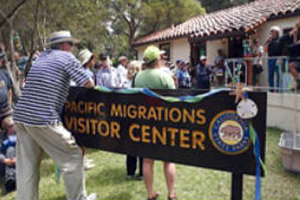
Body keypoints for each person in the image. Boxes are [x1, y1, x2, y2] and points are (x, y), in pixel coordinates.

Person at [13, 30, 96, 200]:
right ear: (64, 45)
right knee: (73, 156)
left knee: (27, 167)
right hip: (42, 117)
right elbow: (88, 83)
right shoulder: (67, 57)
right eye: (71, 44)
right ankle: (79, 198)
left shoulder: (41, 57)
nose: (72, 48)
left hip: (21, 115)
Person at [134, 46, 177, 200]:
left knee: (147, 160)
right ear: (157, 60)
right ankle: (171, 194)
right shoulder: (165, 76)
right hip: (164, 121)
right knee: (168, 160)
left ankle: (150, 193)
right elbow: (174, 98)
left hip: (144, 122)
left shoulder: (137, 77)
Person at [123, 61, 144, 180]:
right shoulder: (140, 83)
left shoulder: (125, 83)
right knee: (141, 144)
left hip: (127, 117)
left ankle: (130, 171)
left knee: (130, 145)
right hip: (139, 116)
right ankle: (141, 173)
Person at [264, 26, 296, 92]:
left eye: (273, 31)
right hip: (270, 59)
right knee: (270, 76)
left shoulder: (280, 39)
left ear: (277, 32)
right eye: (271, 31)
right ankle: (271, 90)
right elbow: (265, 50)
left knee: (278, 75)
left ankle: (279, 90)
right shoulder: (270, 41)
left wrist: (295, 29)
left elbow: (289, 34)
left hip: (278, 59)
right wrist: (267, 42)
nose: (271, 33)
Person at [0, 119, 16, 194]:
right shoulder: (2, 138)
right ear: (6, 128)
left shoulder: (19, 135)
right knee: (10, 150)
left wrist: (18, 158)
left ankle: (11, 179)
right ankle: (10, 181)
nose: (13, 128)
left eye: (13, 126)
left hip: (19, 158)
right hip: (6, 162)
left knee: (11, 149)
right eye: (10, 126)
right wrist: (5, 160)